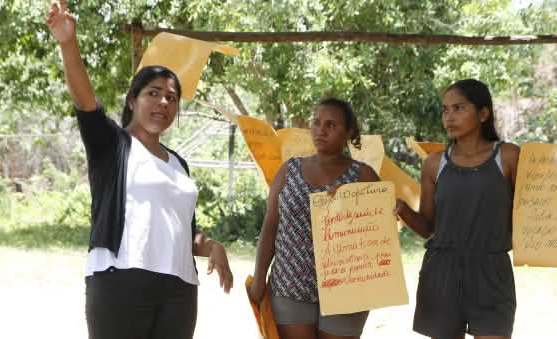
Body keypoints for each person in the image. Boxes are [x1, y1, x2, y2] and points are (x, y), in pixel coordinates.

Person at [46, 1, 234, 338]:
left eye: (172, 98)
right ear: (132, 100)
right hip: (121, 280)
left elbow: (184, 232)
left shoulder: (179, 163)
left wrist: (212, 246)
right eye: (154, 93)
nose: (164, 102)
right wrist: (67, 43)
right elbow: (85, 101)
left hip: (180, 289)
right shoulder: (112, 145)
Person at [396, 79, 520, 339]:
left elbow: (529, 213)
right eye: (445, 110)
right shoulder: (433, 164)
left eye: (458, 108)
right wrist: (403, 210)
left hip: (491, 272)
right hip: (441, 273)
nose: (449, 117)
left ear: (483, 113)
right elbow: (428, 227)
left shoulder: (508, 157)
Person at [248, 98, 381, 339]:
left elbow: (381, 232)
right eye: (317, 123)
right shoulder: (289, 170)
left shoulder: (363, 176)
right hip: (290, 284)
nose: (321, 130)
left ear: (349, 131)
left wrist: (353, 200)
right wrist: (259, 279)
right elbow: (270, 226)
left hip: (347, 288)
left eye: (331, 125)